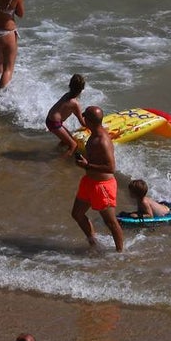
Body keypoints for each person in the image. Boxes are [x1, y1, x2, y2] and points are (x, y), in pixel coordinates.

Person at [70, 106, 125, 252]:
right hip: (89, 181)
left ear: (89, 120)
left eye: (84, 116)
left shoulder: (102, 140)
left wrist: (87, 164)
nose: (82, 118)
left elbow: (110, 167)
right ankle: (94, 243)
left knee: (111, 222)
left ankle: (120, 253)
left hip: (102, 185)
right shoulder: (93, 133)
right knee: (77, 214)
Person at [45, 74, 87, 157]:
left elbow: (69, 110)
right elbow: (83, 123)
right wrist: (95, 126)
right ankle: (59, 163)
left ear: (70, 85)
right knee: (74, 145)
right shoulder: (75, 104)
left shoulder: (66, 95)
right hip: (54, 123)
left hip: (50, 120)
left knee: (65, 141)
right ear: (82, 89)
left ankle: (54, 152)